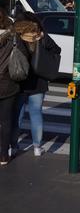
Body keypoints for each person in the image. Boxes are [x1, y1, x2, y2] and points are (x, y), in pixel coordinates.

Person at [10, 15, 61, 157]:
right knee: (36, 113)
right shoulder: (41, 36)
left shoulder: (18, 36)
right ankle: (37, 147)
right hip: (39, 81)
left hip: (20, 80)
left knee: (17, 114)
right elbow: (57, 50)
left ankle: (13, 145)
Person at [0, 11, 28, 165]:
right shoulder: (13, 37)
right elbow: (23, 56)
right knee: (6, 120)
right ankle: (3, 155)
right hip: (8, 83)